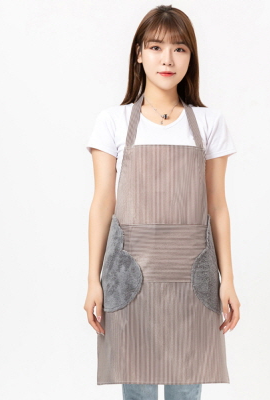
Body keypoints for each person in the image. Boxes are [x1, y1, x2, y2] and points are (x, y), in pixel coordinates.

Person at [84, 5, 241, 400]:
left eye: (179, 48)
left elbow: (217, 207)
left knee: (186, 390)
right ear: (139, 54)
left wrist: (228, 279)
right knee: (136, 389)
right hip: (129, 274)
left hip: (193, 275)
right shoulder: (113, 121)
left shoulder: (209, 123)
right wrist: (92, 281)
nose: (167, 59)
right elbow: (102, 203)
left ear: (191, 57)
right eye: (156, 47)